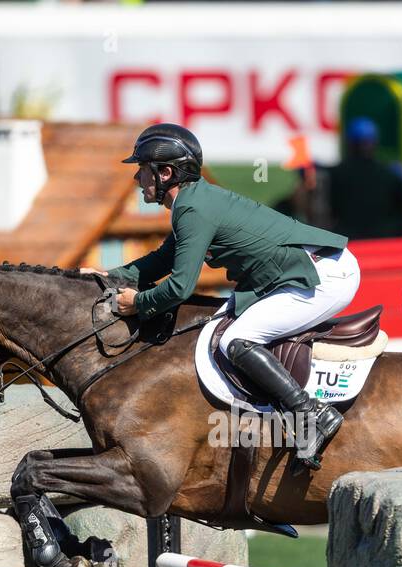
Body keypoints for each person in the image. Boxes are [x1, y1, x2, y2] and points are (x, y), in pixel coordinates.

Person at [81, 123, 358, 471]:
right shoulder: (193, 202)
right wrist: (108, 277)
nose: (137, 178)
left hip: (322, 277)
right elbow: (161, 261)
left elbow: (180, 288)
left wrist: (136, 303)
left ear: (166, 173)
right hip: (306, 270)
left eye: (142, 170)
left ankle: (310, 414)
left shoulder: (193, 209)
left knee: (236, 339)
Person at [327, 116, 402, 239]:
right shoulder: (390, 174)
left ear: (349, 143)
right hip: (384, 247)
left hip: (349, 248)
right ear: (374, 142)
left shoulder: (335, 174)